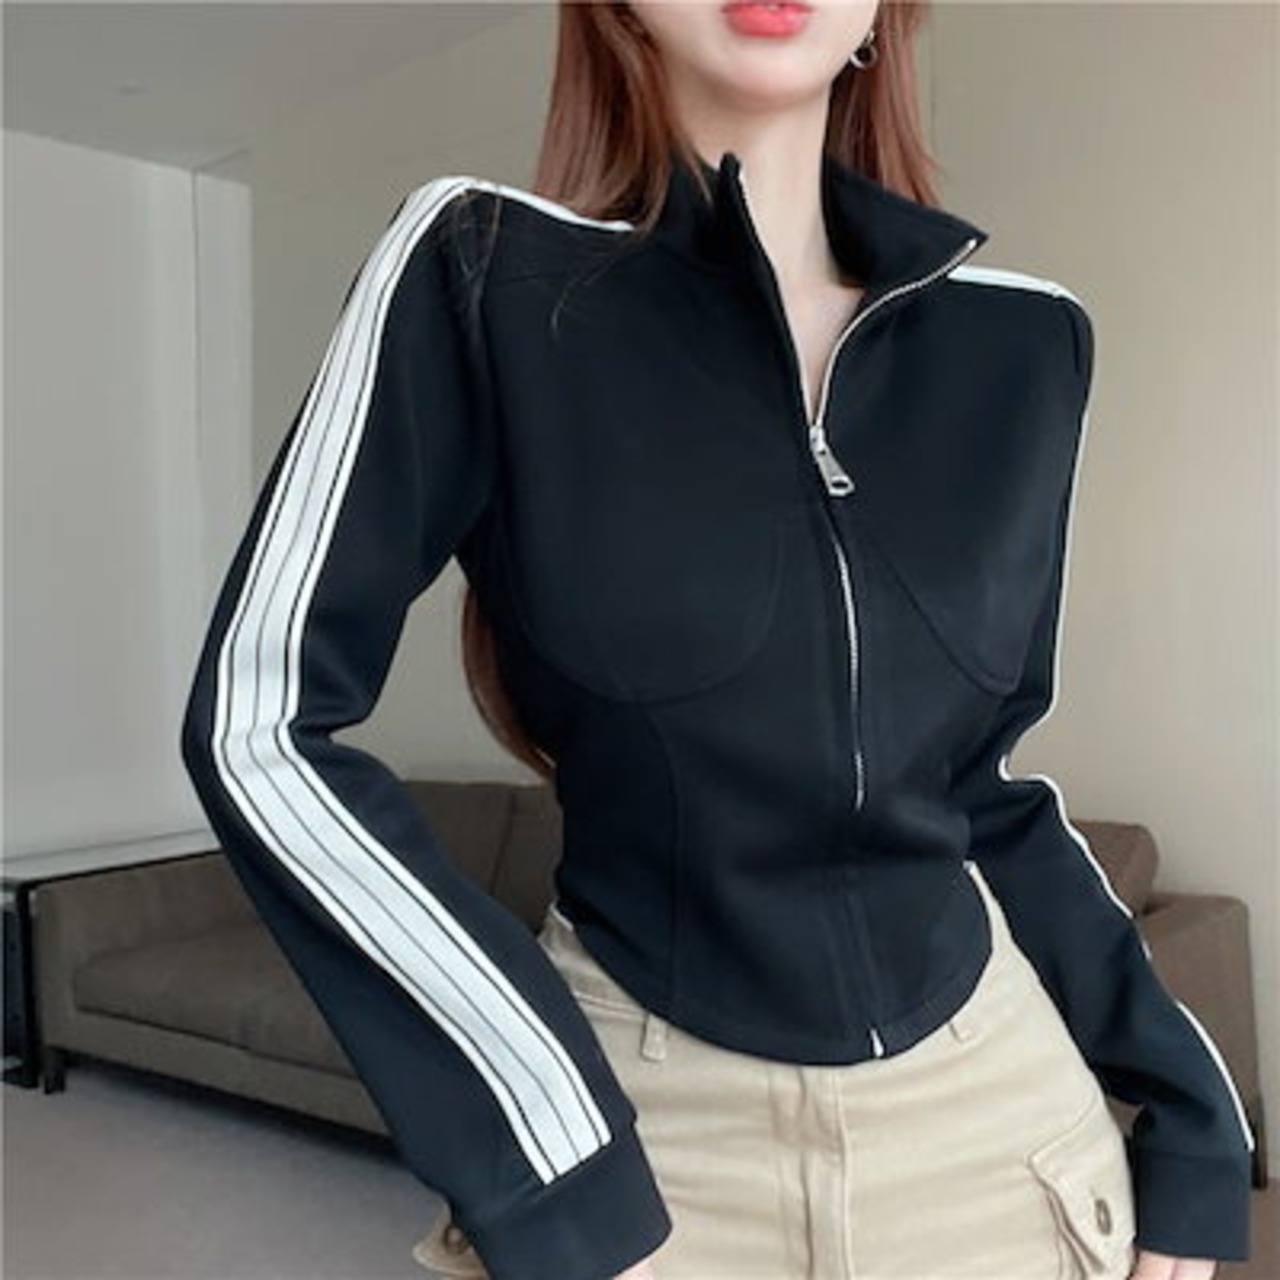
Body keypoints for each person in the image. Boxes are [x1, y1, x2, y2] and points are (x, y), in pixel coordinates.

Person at [179, 2, 1257, 1278]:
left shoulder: (1022, 346)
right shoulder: (480, 275)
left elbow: (979, 786)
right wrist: (556, 1163)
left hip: (999, 1133)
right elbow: (258, 726)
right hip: (647, 1147)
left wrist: (1191, 1111)